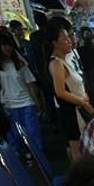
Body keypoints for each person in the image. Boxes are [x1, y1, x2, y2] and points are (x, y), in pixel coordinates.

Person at [0, 31, 49, 170]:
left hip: (26, 102)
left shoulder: (19, 62)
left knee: (33, 133)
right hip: (9, 105)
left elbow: (30, 84)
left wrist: (37, 102)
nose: (8, 48)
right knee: (15, 136)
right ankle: (24, 157)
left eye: (9, 45)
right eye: (4, 45)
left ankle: (38, 159)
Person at [47, 22, 93, 159]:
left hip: (79, 109)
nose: (70, 41)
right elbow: (60, 92)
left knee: (83, 149)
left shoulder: (66, 59)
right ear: (55, 43)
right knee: (77, 152)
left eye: (69, 37)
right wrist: (83, 103)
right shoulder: (56, 63)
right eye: (65, 39)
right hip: (72, 113)